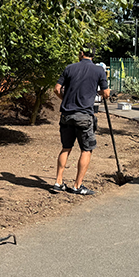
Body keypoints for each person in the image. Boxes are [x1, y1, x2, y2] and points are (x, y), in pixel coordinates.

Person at [51, 46, 111, 195]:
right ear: (93, 56)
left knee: (66, 147)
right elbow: (106, 93)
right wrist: (101, 93)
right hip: (84, 115)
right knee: (86, 149)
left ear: (82, 54)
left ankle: (58, 182)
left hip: (66, 115)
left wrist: (66, 100)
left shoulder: (70, 68)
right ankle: (77, 186)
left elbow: (57, 89)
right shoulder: (99, 70)